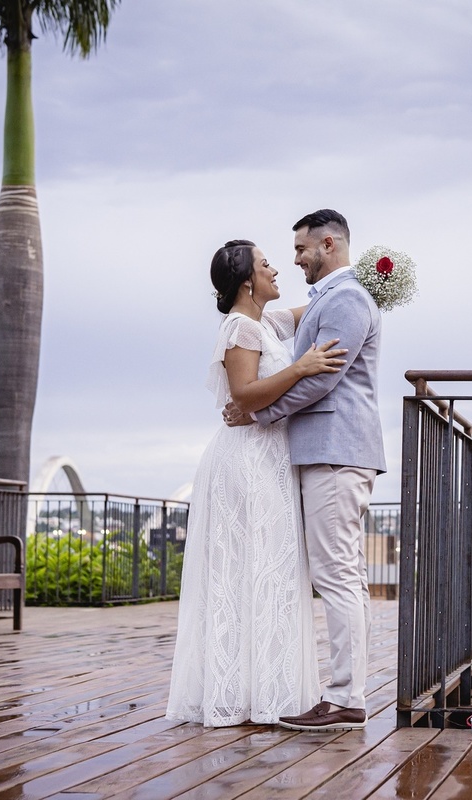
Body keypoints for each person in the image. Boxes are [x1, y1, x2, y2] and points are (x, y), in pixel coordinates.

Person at [165, 239, 348, 727]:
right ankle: (240, 693)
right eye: (266, 263)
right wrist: (301, 366)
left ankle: (265, 688)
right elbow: (244, 394)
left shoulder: (266, 321)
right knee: (252, 571)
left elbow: (322, 304)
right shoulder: (241, 327)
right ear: (247, 280)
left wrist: (371, 277)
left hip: (269, 458)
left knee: (272, 573)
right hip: (245, 465)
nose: (276, 268)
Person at [225, 209, 386, 731]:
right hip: (328, 450)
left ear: (330, 245)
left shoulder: (347, 299)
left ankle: (344, 698)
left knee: (336, 574)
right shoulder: (333, 298)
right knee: (341, 573)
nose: (294, 260)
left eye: (301, 250)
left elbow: (322, 382)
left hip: (336, 450)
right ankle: (347, 692)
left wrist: (258, 413)